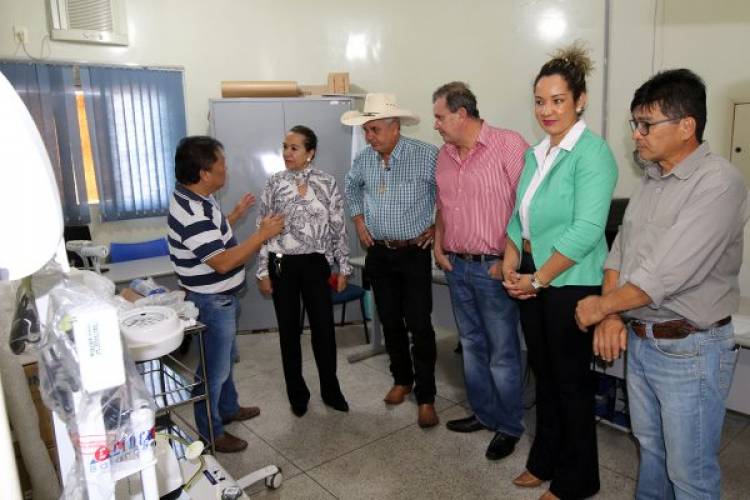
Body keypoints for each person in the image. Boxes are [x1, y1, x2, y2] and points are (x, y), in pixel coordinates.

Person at [575, 69, 746, 500]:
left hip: (690, 348)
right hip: (645, 340)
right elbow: (621, 254)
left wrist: (600, 307)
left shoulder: (719, 182)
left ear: (687, 126)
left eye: (646, 124)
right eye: (635, 123)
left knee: (689, 471)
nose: (637, 135)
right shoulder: (651, 180)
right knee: (651, 450)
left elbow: (666, 274)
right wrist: (613, 311)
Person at [502, 45, 618, 499]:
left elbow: (587, 229)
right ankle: (544, 459)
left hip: (570, 282)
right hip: (536, 276)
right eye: (539, 101)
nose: (547, 110)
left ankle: (578, 480)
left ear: (580, 100)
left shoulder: (593, 153)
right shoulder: (537, 154)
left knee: (570, 383)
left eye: (557, 100)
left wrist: (538, 278)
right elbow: (519, 216)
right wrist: (514, 262)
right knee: (545, 376)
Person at [167, 136, 284, 453]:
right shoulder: (191, 211)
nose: (226, 170)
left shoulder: (201, 199)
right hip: (210, 301)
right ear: (205, 173)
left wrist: (233, 215)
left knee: (226, 359)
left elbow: (212, 237)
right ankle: (211, 433)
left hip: (220, 298)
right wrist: (261, 235)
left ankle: (229, 408)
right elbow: (222, 261)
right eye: (221, 165)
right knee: (213, 370)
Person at [431, 81, 529, 460]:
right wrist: (439, 244)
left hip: (493, 268)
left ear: (461, 114)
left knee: (502, 353)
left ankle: (509, 426)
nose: (436, 124)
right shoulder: (444, 156)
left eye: (440, 117)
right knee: (471, 346)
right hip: (457, 266)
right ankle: (485, 414)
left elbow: (528, 207)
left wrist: (509, 257)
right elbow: (444, 205)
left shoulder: (508, 145)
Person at [342, 93, 440, 428]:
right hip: (379, 254)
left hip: (413, 253)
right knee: (390, 320)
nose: (369, 137)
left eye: (375, 130)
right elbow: (351, 188)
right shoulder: (365, 159)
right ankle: (402, 380)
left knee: (420, 325)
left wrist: (436, 224)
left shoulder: (426, 155)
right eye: (367, 130)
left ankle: (426, 397)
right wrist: (358, 219)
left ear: (395, 127)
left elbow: (450, 195)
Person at [256, 125, 351, 417]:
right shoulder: (274, 183)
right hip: (282, 263)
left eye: (294, 148)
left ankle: (330, 390)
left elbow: (338, 226)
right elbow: (263, 228)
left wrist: (343, 267)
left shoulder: (327, 182)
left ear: (311, 153)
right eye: (285, 147)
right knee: (289, 332)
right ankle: (297, 395)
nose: (287, 153)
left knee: (324, 330)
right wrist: (262, 271)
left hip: (315, 263)